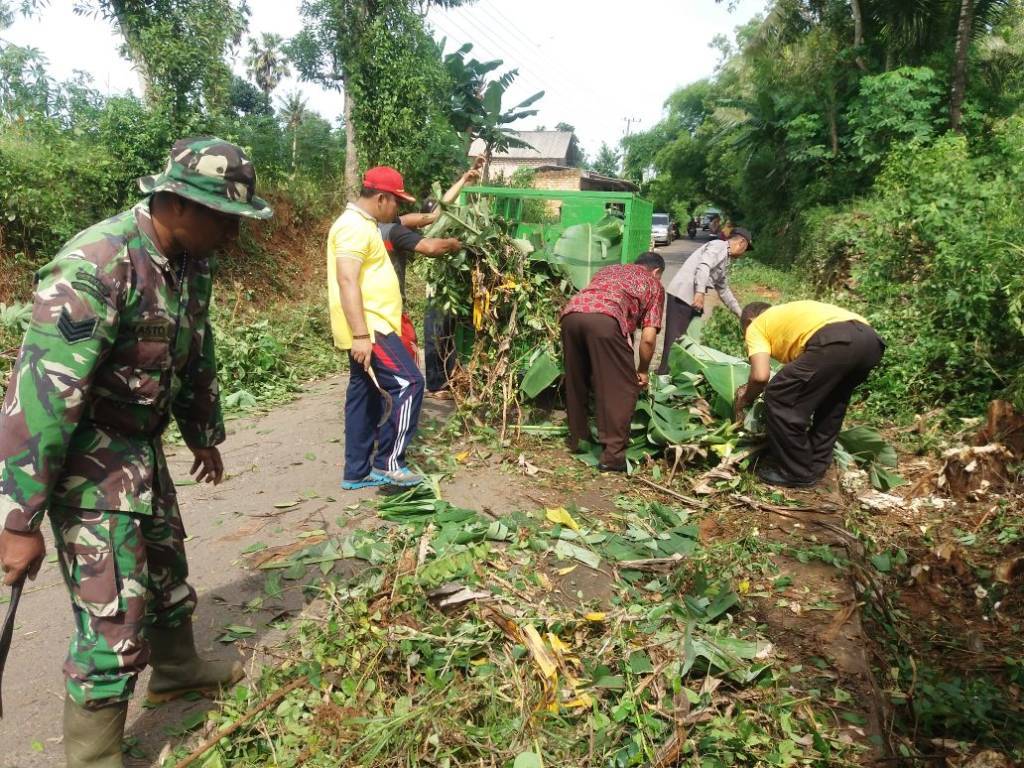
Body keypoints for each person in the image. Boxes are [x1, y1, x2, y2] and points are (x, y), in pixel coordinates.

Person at [0, 137, 271, 767]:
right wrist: (18, 520)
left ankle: (176, 667)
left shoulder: (190, 263)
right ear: (176, 203)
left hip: (142, 451)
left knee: (167, 571)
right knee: (114, 617)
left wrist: (204, 431)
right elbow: (41, 399)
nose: (233, 235)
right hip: (88, 462)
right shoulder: (97, 265)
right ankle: (95, 757)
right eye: (224, 219)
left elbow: (193, 351)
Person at [329, 166, 426, 490]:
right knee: (410, 383)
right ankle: (389, 462)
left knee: (365, 395)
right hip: (371, 327)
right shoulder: (353, 227)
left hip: (372, 325)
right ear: (382, 197)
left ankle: (356, 472)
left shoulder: (365, 225)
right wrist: (360, 335)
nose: (397, 208)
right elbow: (347, 280)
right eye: (396, 201)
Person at [733, 300, 885, 488]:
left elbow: (760, 376)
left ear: (748, 321)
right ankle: (818, 464)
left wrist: (745, 398)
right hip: (871, 342)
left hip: (835, 341)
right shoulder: (785, 315)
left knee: (779, 396)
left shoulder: (756, 325)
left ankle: (796, 471)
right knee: (832, 402)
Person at [560, 252, 666, 472]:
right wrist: (643, 370)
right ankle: (613, 456)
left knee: (577, 379)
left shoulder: (610, 270)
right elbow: (648, 339)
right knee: (623, 386)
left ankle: (578, 439)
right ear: (656, 272)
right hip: (605, 320)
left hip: (571, 316)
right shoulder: (653, 284)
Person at [377, 161, 480, 380]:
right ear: (380, 201)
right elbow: (430, 246)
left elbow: (434, 216)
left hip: (380, 309)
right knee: (405, 372)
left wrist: (463, 180)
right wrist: (454, 245)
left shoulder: (382, 225)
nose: (397, 206)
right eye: (395, 201)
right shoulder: (392, 231)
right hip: (388, 311)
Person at [655, 227, 753, 375]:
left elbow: (724, 289)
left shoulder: (725, 258)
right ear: (741, 243)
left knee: (689, 339)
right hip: (683, 294)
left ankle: (679, 373)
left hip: (693, 299)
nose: (743, 254)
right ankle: (664, 374)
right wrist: (700, 292)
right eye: (746, 249)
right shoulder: (718, 246)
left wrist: (740, 313)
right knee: (675, 339)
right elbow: (704, 266)